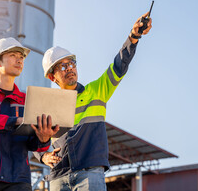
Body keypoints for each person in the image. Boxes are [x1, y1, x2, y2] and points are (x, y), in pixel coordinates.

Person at [36, 12, 152, 190]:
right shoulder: (47, 105)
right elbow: (31, 137)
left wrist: (134, 36)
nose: (70, 68)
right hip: (58, 176)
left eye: (72, 63)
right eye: (63, 66)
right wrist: (43, 156)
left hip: (90, 173)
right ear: (52, 77)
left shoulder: (96, 91)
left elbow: (119, 65)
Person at [0, 37, 59, 191]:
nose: (19, 60)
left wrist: (43, 138)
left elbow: (33, 144)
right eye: (13, 55)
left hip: (18, 179)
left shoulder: (28, 100)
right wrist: (17, 120)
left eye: (21, 57)